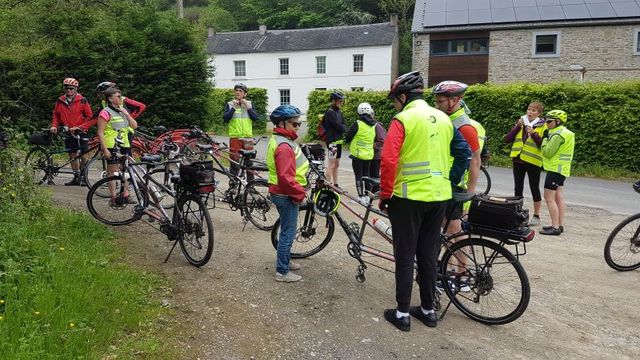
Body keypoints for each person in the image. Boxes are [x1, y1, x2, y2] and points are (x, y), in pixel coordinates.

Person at [379, 71, 470, 331]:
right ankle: (428, 310)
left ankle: (402, 314)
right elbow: (464, 154)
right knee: (429, 255)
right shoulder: (443, 119)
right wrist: (449, 182)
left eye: (395, 100)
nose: (395, 105)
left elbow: (388, 160)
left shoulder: (403, 119)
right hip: (439, 198)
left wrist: (386, 194)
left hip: (408, 198)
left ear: (404, 96)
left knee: (405, 255)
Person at [266, 105, 309, 282]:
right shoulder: (283, 146)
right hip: (286, 193)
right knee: (288, 233)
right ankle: (282, 272)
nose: (298, 126)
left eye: (299, 123)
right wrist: (299, 193)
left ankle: (286, 260)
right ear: (282, 124)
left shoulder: (281, 139)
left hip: (283, 192)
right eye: (294, 123)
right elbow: (285, 177)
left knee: (287, 230)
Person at [432, 81, 481, 235]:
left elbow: (475, 161)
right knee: (443, 226)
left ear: (453, 100)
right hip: (443, 181)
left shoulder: (464, 126)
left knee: (453, 228)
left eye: (440, 102)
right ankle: (450, 259)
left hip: (454, 183)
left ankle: (460, 260)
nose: (437, 106)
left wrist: (468, 200)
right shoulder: (446, 119)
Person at [504, 101, 546, 225]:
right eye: (529, 109)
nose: (530, 112)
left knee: (534, 188)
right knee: (518, 187)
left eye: (534, 110)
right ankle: (517, 213)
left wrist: (533, 134)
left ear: (539, 113)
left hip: (532, 161)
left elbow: (542, 144)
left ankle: (536, 216)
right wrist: (517, 126)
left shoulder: (542, 125)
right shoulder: (521, 123)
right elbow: (507, 139)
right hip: (518, 159)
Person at [97, 87, 138, 205]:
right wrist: (104, 149)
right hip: (112, 145)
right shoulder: (105, 112)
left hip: (124, 144)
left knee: (126, 171)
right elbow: (100, 132)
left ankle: (125, 195)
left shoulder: (122, 110)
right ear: (110, 98)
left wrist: (127, 115)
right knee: (113, 173)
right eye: (118, 96)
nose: (121, 98)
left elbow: (134, 126)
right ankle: (114, 197)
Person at [50, 77, 94, 186]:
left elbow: (89, 116)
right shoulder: (60, 100)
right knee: (72, 155)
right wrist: (54, 126)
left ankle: (84, 178)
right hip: (68, 131)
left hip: (81, 131)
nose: (69, 90)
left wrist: (81, 127)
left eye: (71, 88)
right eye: (67, 88)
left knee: (84, 156)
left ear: (76, 89)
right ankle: (76, 177)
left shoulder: (82, 100)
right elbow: (56, 114)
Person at [540, 110, 575, 236]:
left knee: (549, 198)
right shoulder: (565, 132)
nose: (546, 123)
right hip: (562, 169)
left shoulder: (557, 135)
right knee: (559, 196)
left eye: (549, 121)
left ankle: (555, 227)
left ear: (558, 121)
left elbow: (547, 152)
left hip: (555, 169)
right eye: (545, 120)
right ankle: (559, 225)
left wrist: (544, 139)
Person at [223, 83, 259, 180]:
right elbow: (225, 119)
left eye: (240, 91)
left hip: (247, 138)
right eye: (236, 90)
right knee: (234, 161)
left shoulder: (249, 104)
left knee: (249, 162)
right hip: (235, 137)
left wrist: (248, 107)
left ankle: (251, 185)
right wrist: (234, 108)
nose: (238, 92)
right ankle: (233, 185)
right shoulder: (230, 104)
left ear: (245, 94)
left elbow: (255, 118)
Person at [345, 102, 378, 203]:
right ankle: (368, 196)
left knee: (358, 176)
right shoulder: (374, 124)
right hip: (368, 155)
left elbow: (348, 137)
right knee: (367, 176)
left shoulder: (358, 123)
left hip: (358, 155)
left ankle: (360, 196)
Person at [322, 92, 347, 186]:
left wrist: (342, 127)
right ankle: (328, 184)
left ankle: (336, 185)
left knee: (337, 165)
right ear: (333, 101)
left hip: (339, 141)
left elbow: (343, 124)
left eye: (342, 101)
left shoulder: (339, 112)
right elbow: (338, 126)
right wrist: (343, 128)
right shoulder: (330, 112)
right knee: (331, 165)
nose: (341, 103)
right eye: (339, 101)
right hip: (332, 142)